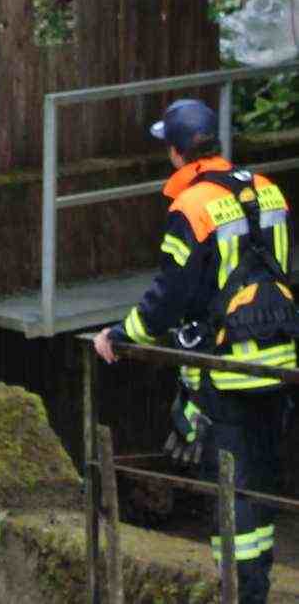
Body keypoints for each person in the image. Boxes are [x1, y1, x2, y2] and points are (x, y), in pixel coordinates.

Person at [96, 98, 299, 602]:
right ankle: (255, 586)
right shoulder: (268, 191)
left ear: (177, 151)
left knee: (229, 490)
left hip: (226, 371)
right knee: (262, 482)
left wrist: (120, 336)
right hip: (280, 364)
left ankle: (242, 593)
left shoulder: (191, 206)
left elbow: (170, 297)